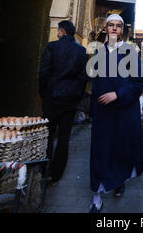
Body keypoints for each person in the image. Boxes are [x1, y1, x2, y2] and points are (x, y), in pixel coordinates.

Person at [88, 14, 143, 213]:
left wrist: (117, 95)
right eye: (110, 25)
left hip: (123, 112)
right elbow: (94, 82)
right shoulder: (99, 52)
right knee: (100, 152)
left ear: (122, 30)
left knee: (121, 149)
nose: (114, 29)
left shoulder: (130, 52)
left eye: (118, 26)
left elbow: (138, 84)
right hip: (103, 114)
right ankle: (96, 198)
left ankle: (119, 181)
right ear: (106, 28)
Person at [39, 20, 89, 186]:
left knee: (48, 135)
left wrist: (44, 94)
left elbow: (44, 73)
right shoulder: (82, 51)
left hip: (52, 99)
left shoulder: (52, 47)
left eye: (58, 31)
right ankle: (56, 174)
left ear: (63, 32)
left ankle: (43, 169)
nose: (57, 33)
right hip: (70, 101)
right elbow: (84, 77)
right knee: (64, 138)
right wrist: (77, 96)